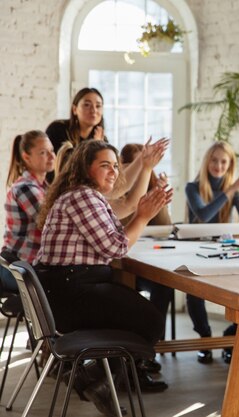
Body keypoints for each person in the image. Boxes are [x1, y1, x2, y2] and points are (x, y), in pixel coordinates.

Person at [35, 140, 173, 416]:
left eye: (115, 165)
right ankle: (91, 378)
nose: (112, 171)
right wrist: (143, 218)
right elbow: (116, 247)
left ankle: (89, 378)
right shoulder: (82, 197)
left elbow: (126, 209)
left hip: (67, 289)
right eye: (104, 165)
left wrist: (144, 180)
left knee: (140, 315)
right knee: (151, 322)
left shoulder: (85, 196)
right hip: (71, 294)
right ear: (86, 169)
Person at [185, 141, 239, 364]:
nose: (218, 165)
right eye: (214, 160)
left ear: (230, 164)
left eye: (223, 161)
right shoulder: (193, 187)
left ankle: (231, 337)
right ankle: (205, 339)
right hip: (196, 249)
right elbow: (204, 216)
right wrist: (231, 190)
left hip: (224, 249)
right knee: (194, 292)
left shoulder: (232, 189)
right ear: (207, 161)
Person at [120, 143, 173, 374]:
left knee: (164, 286)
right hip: (125, 265)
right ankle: (132, 353)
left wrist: (157, 197)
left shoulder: (151, 187)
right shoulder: (118, 193)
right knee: (126, 289)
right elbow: (121, 229)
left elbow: (164, 227)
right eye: (138, 163)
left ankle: (148, 347)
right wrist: (139, 209)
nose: (144, 168)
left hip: (149, 260)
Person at [1, 131, 55, 292]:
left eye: (52, 151)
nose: (52, 156)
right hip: (19, 270)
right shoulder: (25, 188)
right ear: (26, 157)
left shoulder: (44, 187)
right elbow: (51, 224)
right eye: (43, 152)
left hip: (28, 266)